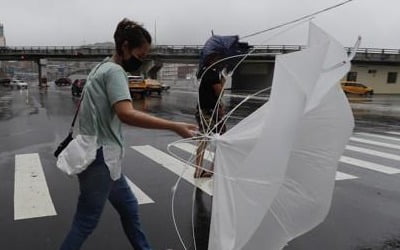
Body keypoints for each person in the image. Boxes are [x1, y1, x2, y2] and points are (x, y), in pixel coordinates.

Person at [59, 18, 197, 250]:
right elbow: (126, 114)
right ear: (124, 47)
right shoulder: (114, 72)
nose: (141, 61)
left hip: (103, 157)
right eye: (140, 55)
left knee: (129, 208)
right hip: (100, 158)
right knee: (85, 222)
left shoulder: (100, 68)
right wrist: (174, 126)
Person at [194, 53, 227, 178]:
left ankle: (198, 169)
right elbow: (220, 94)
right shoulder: (213, 75)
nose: (222, 62)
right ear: (213, 60)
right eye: (219, 60)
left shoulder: (203, 72)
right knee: (220, 138)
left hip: (202, 110)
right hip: (211, 112)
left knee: (203, 138)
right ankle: (211, 170)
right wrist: (223, 81)